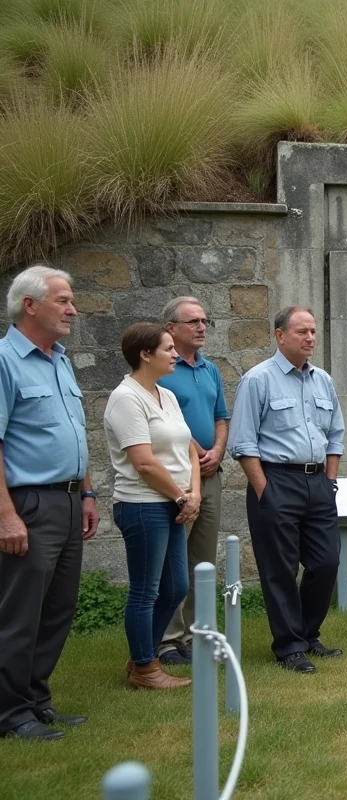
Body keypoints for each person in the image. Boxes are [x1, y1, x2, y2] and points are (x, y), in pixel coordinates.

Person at [0, 265, 99, 740]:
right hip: (28, 505)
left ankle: (36, 699)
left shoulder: (59, 359)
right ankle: (9, 713)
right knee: (20, 613)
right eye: (63, 300)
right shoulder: (3, 361)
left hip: (67, 501)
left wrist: (87, 493)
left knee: (58, 608)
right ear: (29, 305)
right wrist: (5, 515)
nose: (72, 309)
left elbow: (74, 433)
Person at [228, 307, 346, 674]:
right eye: (302, 331)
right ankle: (290, 647)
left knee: (327, 562)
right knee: (279, 569)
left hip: (318, 484)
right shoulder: (258, 380)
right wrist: (264, 490)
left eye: (313, 331)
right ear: (280, 336)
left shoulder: (323, 380)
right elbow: (243, 443)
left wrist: (329, 480)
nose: (310, 338)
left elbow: (335, 435)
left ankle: (309, 634)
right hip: (276, 480)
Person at [103, 323, 200, 690]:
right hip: (143, 506)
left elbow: (190, 446)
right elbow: (143, 462)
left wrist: (195, 493)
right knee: (146, 590)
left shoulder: (166, 395)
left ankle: (142, 655)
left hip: (175, 502)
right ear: (145, 354)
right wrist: (181, 496)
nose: (176, 354)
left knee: (176, 587)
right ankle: (145, 668)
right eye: (168, 348)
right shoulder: (126, 398)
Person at [155, 297, 230, 667]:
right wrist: (199, 452)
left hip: (210, 475)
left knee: (203, 560)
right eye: (193, 322)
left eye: (205, 320)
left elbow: (221, 417)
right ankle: (168, 642)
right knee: (174, 560)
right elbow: (166, 423)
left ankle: (196, 635)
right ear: (170, 328)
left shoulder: (210, 369)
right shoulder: (162, 368)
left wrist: (217, 450)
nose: (202, 327)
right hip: (176, 477)